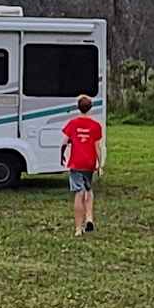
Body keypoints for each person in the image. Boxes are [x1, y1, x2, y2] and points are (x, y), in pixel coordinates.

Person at [60, 93, 103, 235]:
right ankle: (89, 218)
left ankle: (78, 228)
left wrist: (62, 156)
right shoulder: (96, 126)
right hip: (89, 163)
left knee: (79, 193)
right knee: (88, 190)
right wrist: (100, 164)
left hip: (76, 163)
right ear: (90, 108)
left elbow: (64, 142)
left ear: (78, 108)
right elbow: (97, 147)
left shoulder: (72, 124)